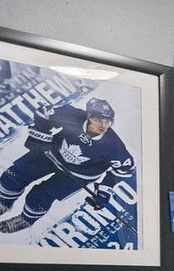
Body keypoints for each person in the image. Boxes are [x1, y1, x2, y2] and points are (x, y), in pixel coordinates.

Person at [0, 98, 134, 234]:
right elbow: (43, 113)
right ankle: (3, 202)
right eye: (98, 120)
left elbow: (125, 168)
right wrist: (42, 135)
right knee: (13, 176)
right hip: (50, 154)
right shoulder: (72, 115)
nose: (103, 125)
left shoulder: (113, 145)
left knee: (40, 196)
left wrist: (104, 191)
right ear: (89, 116)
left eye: (108, 121)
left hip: (79, 174)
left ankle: (25, 219)